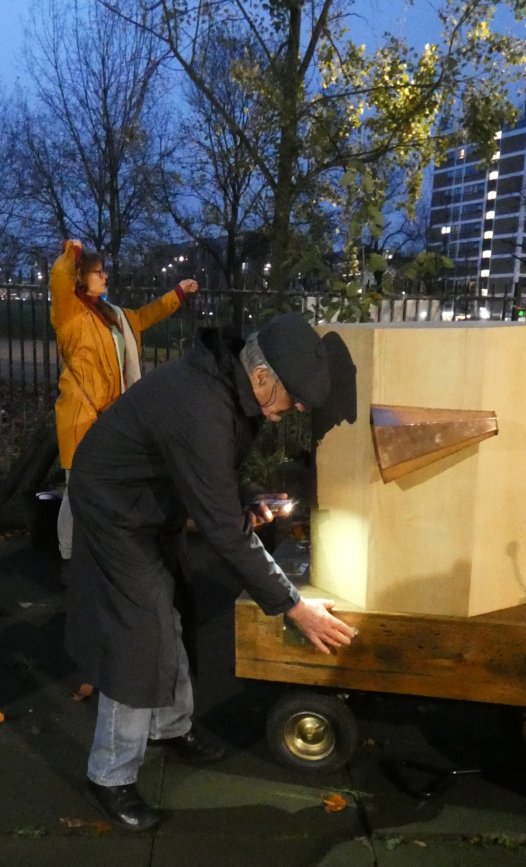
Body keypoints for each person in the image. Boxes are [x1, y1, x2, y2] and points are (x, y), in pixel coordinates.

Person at [65, 313, 357, 830]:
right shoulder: (203, 405)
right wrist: (294, 607)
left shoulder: (228, 381)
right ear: (263, 377)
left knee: (171, 605)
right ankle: (108, 776)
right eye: (289, 402)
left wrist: (242, 498)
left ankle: (170, 726)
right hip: (115, 504)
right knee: (140, 630)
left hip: (152, 495)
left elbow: (207, 470)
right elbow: (225, 533)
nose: (283, 415)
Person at [50, 240, 198, 571]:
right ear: (80, 279)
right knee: (78, 491)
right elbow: (58, 279)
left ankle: (98, 550)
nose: (105, 277)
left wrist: (178, 293)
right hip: (82, 417)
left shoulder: (112, 315)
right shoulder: (70, 315)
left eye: (104, 271)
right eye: (97, 273)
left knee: (107, 485)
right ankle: (68, 556)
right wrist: (71, 253)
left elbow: (146, 316)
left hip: (111, 416)